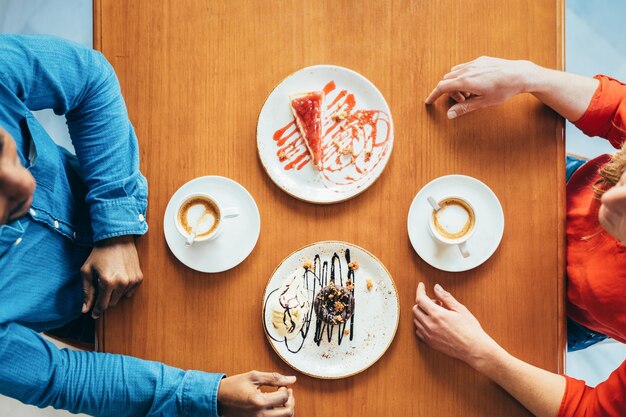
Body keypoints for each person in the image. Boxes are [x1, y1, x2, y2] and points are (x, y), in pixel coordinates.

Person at [0, 34, 295, 417]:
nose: (25, 181)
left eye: (6, 151)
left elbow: (90, 79)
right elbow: (63, 379)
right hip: (97, 313)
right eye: (6, 203)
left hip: (117, 188)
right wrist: (211, 395)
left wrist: (116, 230)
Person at [416, 56, 626, 416]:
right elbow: (615, 109)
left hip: (569, 312)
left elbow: (592, 410)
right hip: (554, 187)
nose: (611, 196)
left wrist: (480, 353)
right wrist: (528, 76)